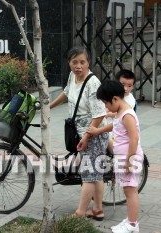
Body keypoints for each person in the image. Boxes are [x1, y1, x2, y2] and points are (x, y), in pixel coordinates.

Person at [50, 46, 109, 220]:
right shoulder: (72, 77)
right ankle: (98, 210)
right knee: (96, 174)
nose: (78, 66)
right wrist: (49, 106)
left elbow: (99, 114)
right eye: (74, 62)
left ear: (88, 63)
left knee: (89, 176)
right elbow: (67, 93)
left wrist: (86, 136)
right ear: (69, 63)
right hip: (80, 132)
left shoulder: (93, 83)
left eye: (82, 62)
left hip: (93, 135)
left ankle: (80, 213)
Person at [93, 79, 144, 233]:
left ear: (115, 99)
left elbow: (134, 138)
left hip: (129, 158)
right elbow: (115, 126)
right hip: (122, 157)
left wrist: (129, 160)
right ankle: (130, 220)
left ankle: (133, 224)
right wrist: (99, 130)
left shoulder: (128, 114)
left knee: (130, 190)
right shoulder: (120, 112)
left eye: (106, 103)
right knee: (128, 189)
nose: (106, 106)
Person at [88, 69, 137, 153]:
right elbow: (116, 123)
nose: (125, 88)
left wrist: (129, 160)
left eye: (129, 86)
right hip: (122, 154)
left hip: (126, 156)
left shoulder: (127, 112)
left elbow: (134, 138)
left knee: (108, 138)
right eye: (123, 84)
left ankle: (112, 154)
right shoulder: (119, 101)